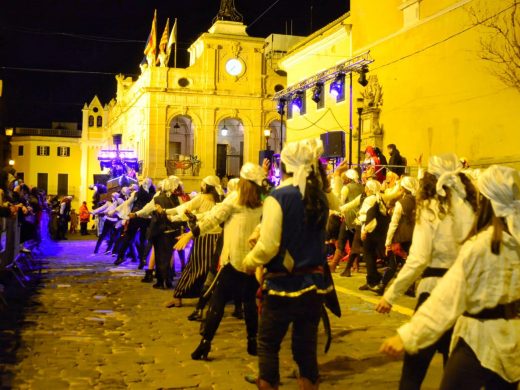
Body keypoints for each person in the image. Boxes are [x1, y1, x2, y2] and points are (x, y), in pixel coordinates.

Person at [380, 164, 520, 389]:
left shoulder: (482, 245)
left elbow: (447, 296)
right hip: (511, 343)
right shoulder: (513, 243)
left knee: (414, 376)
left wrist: (408, 336)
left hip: (478, 340)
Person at [375, 153, 478, 390]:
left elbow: (419, 258)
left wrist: (390, 295)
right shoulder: (470, 206)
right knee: (454, 377)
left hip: (434, 293)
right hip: (462, 297)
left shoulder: (430, 208)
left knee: (413, 373)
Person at [242, 138, 337, 390]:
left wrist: (249, 261)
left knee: (268, 345)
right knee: (306, 352)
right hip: (314, 287)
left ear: (283, 165)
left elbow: (269, 246)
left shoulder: (278, 197)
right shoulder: (321, 197)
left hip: (283, 285)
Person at [175, 163, 266, 360]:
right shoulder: (262, 199)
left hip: (232, 260)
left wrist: (191, 234)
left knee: (217, 303)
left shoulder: (234, 198)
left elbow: (212, 220)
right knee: (249, 302)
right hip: (251, 261)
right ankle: (252, 341)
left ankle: (205, 344)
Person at [164, 175, 223, 307]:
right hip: (217, 237)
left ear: (206, 185)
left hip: (203, 236)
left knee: (195, 266)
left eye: (203, 183)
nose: (201, 185)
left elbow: (186, 209)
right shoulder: (221, 198)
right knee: (212, 268)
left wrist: (174, 216)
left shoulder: (202, 198)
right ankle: (209, 296)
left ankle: (179, 296)